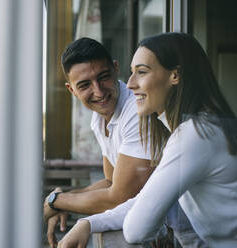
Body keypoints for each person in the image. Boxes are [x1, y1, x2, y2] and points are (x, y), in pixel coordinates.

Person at [57, 32, 237, 248]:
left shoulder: (196, 134)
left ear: (175, 76)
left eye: (141, 72)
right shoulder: (198, 128)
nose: (130, 84)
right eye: (131, 73)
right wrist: (88, 222)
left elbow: (136, 230)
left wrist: (58, 202)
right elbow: (142, 198)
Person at [43, 37, 154, 248]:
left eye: (103, 77)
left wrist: (56, 202)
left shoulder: (135, 110)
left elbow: (119, 196)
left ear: (115, 68)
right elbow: (110, 182)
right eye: (85, 85)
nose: (99, 91)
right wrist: (64, 198)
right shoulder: (99, 117)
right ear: (72, 90)